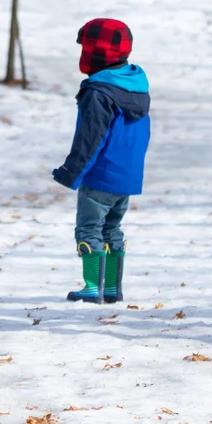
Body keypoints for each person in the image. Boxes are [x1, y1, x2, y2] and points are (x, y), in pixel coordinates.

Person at [51, 19, 151, 305]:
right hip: (126, 177)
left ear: (95, 53)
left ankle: (92, 287)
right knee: (112, 229)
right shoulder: (136, 86)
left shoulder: (99, 92)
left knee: (89, 229)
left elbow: (90, 138)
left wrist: (71, 171)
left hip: (100, 174)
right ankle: (111, 289)